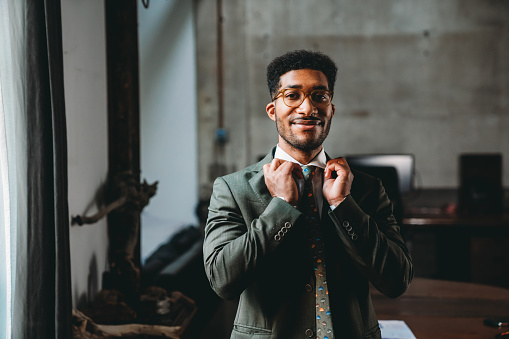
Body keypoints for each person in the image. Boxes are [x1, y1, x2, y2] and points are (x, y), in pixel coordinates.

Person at [203, 50, 413, 339]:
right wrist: (280, 207)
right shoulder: (232, 188)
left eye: (319, 96)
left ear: (331, 109)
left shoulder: (366, 187)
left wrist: (343, 204)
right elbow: (223, 281)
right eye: (292, 95)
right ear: (272, 109)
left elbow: (397, 280)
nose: (307, 108)